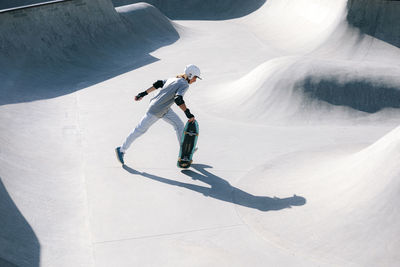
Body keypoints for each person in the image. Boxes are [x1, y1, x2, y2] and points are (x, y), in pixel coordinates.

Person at [115, 64, 202, 165]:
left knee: (179, 125)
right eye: (195, 77)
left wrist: (143, 94)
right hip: (156, 110)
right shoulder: (184, 84)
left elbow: (158, 83)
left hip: (164, 108)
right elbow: (178, 99)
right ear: (190, 75)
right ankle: (121, 149)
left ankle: (184, 151)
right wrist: (188, 114)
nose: (195, 80)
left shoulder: (173, 79)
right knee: (140, 130)